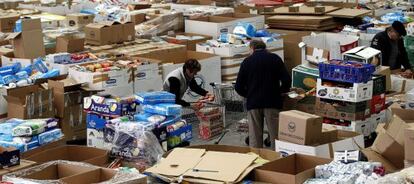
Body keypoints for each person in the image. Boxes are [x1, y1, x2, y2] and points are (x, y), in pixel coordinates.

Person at [235, 40, 291, 149]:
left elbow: (238, 87)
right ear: (265, 48)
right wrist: (280, 92)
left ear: (252, 49)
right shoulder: (275, 59)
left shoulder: (247, 61)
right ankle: (277, 158)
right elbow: (286, 80)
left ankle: (257, 159)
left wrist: (249, 95)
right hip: (272, 102)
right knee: (275, 134)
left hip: (254, 103)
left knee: (255, 136)